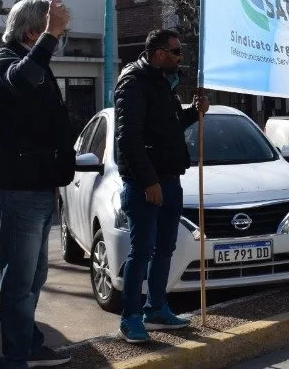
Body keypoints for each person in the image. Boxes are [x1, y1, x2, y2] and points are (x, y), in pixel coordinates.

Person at [0, 0, 75, 368]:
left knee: (34, 274)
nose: (60, 38)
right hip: (17, 186)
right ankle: (15, 357)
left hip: (37, 183)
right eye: (54, 30)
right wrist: (52, 34)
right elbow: (21, 81)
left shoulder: (32, 59)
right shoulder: (1, 59)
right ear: (32, 31)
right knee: (19, 279)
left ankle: (29, 343)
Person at [113, 29, 209, 343]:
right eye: (176, 51)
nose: (180, 57)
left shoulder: (161, 83)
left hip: (170, 180)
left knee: (164, 249)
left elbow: (168, 126)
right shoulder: (134, 82)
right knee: (140, 252)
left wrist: (195, 113)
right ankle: (130, 317)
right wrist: (149, 181)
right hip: (146, 185)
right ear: (157, 53)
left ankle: (157, 308)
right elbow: (128, 139)